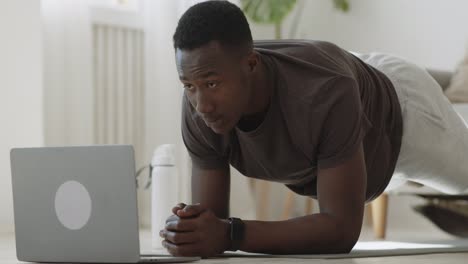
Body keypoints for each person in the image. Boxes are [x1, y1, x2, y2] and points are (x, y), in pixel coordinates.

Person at [159, 0, 468, 257]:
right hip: (343, 84)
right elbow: (212, 227)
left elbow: (341, 231)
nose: (202, 105)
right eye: (189, 85)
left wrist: (232, 234)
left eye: (211, 84)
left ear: (251, 65)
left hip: (403, 111)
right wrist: (191, 231)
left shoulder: (325, 93)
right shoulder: (201, 103)